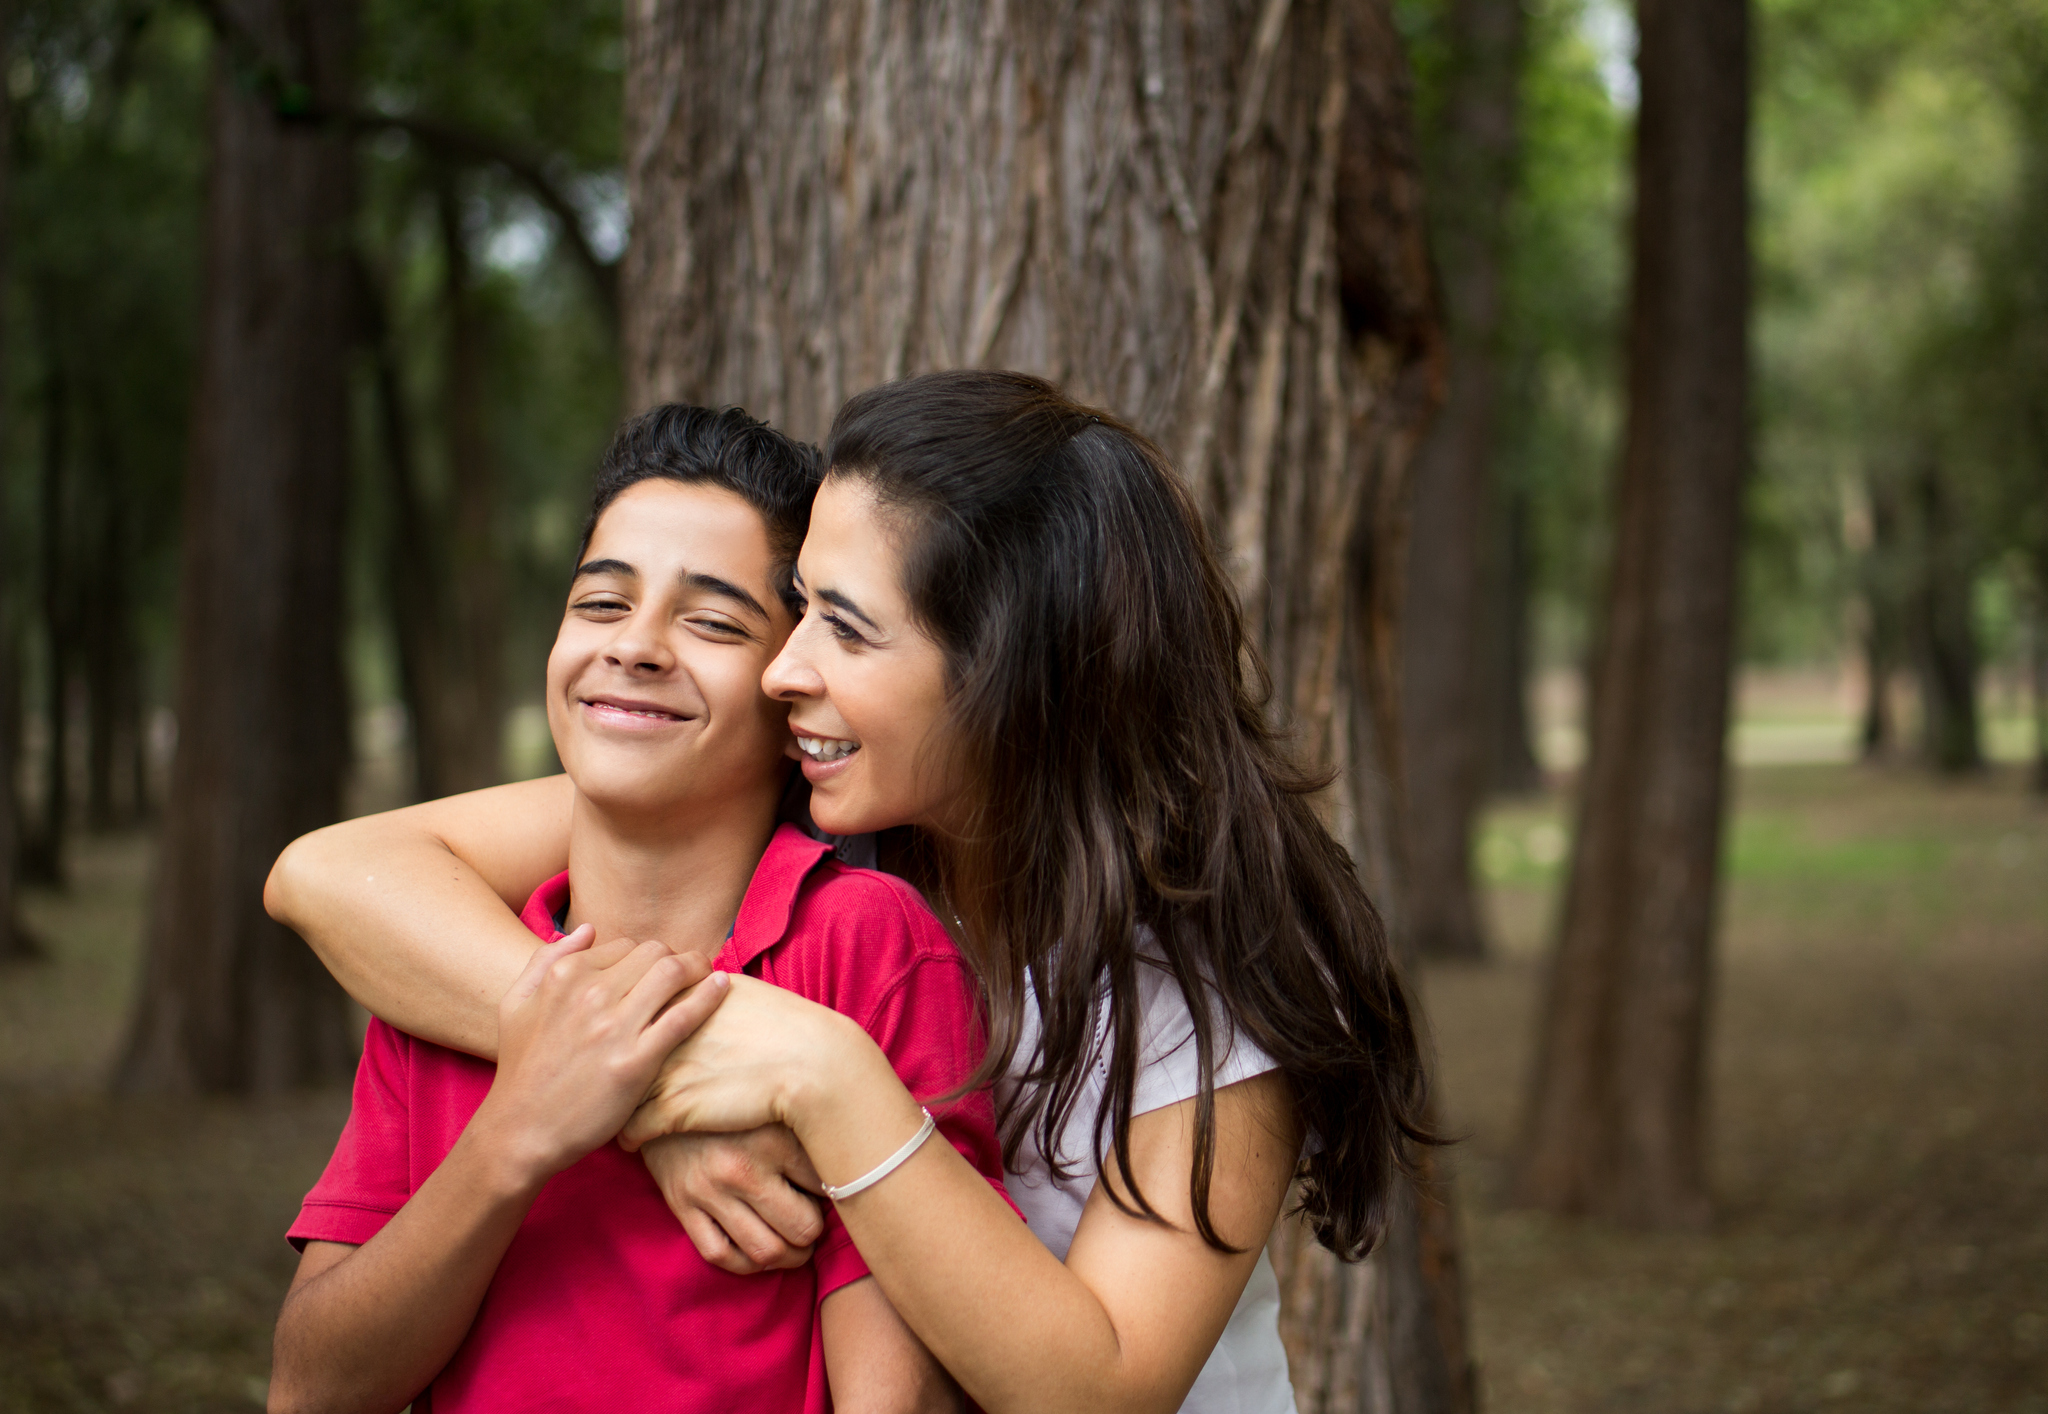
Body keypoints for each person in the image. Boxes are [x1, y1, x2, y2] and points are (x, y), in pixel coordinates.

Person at [267, 371, 1436, 1414]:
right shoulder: (821, 817)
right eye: (799, 604)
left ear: (1005, 677)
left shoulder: (1198, 985)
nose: (786, 670)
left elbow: (1098, 1391)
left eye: (844, 627)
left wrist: (828, 1079)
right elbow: (332, 877)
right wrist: (637, 1090)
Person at [267, 406, 1004, 1414]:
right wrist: (517, 1134)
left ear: (790, 686)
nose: (638, 647)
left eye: (711, 620)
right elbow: (309, 1390)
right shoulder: (445, 967)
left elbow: (899, 1398)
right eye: (602, 603)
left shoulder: (863, 944)